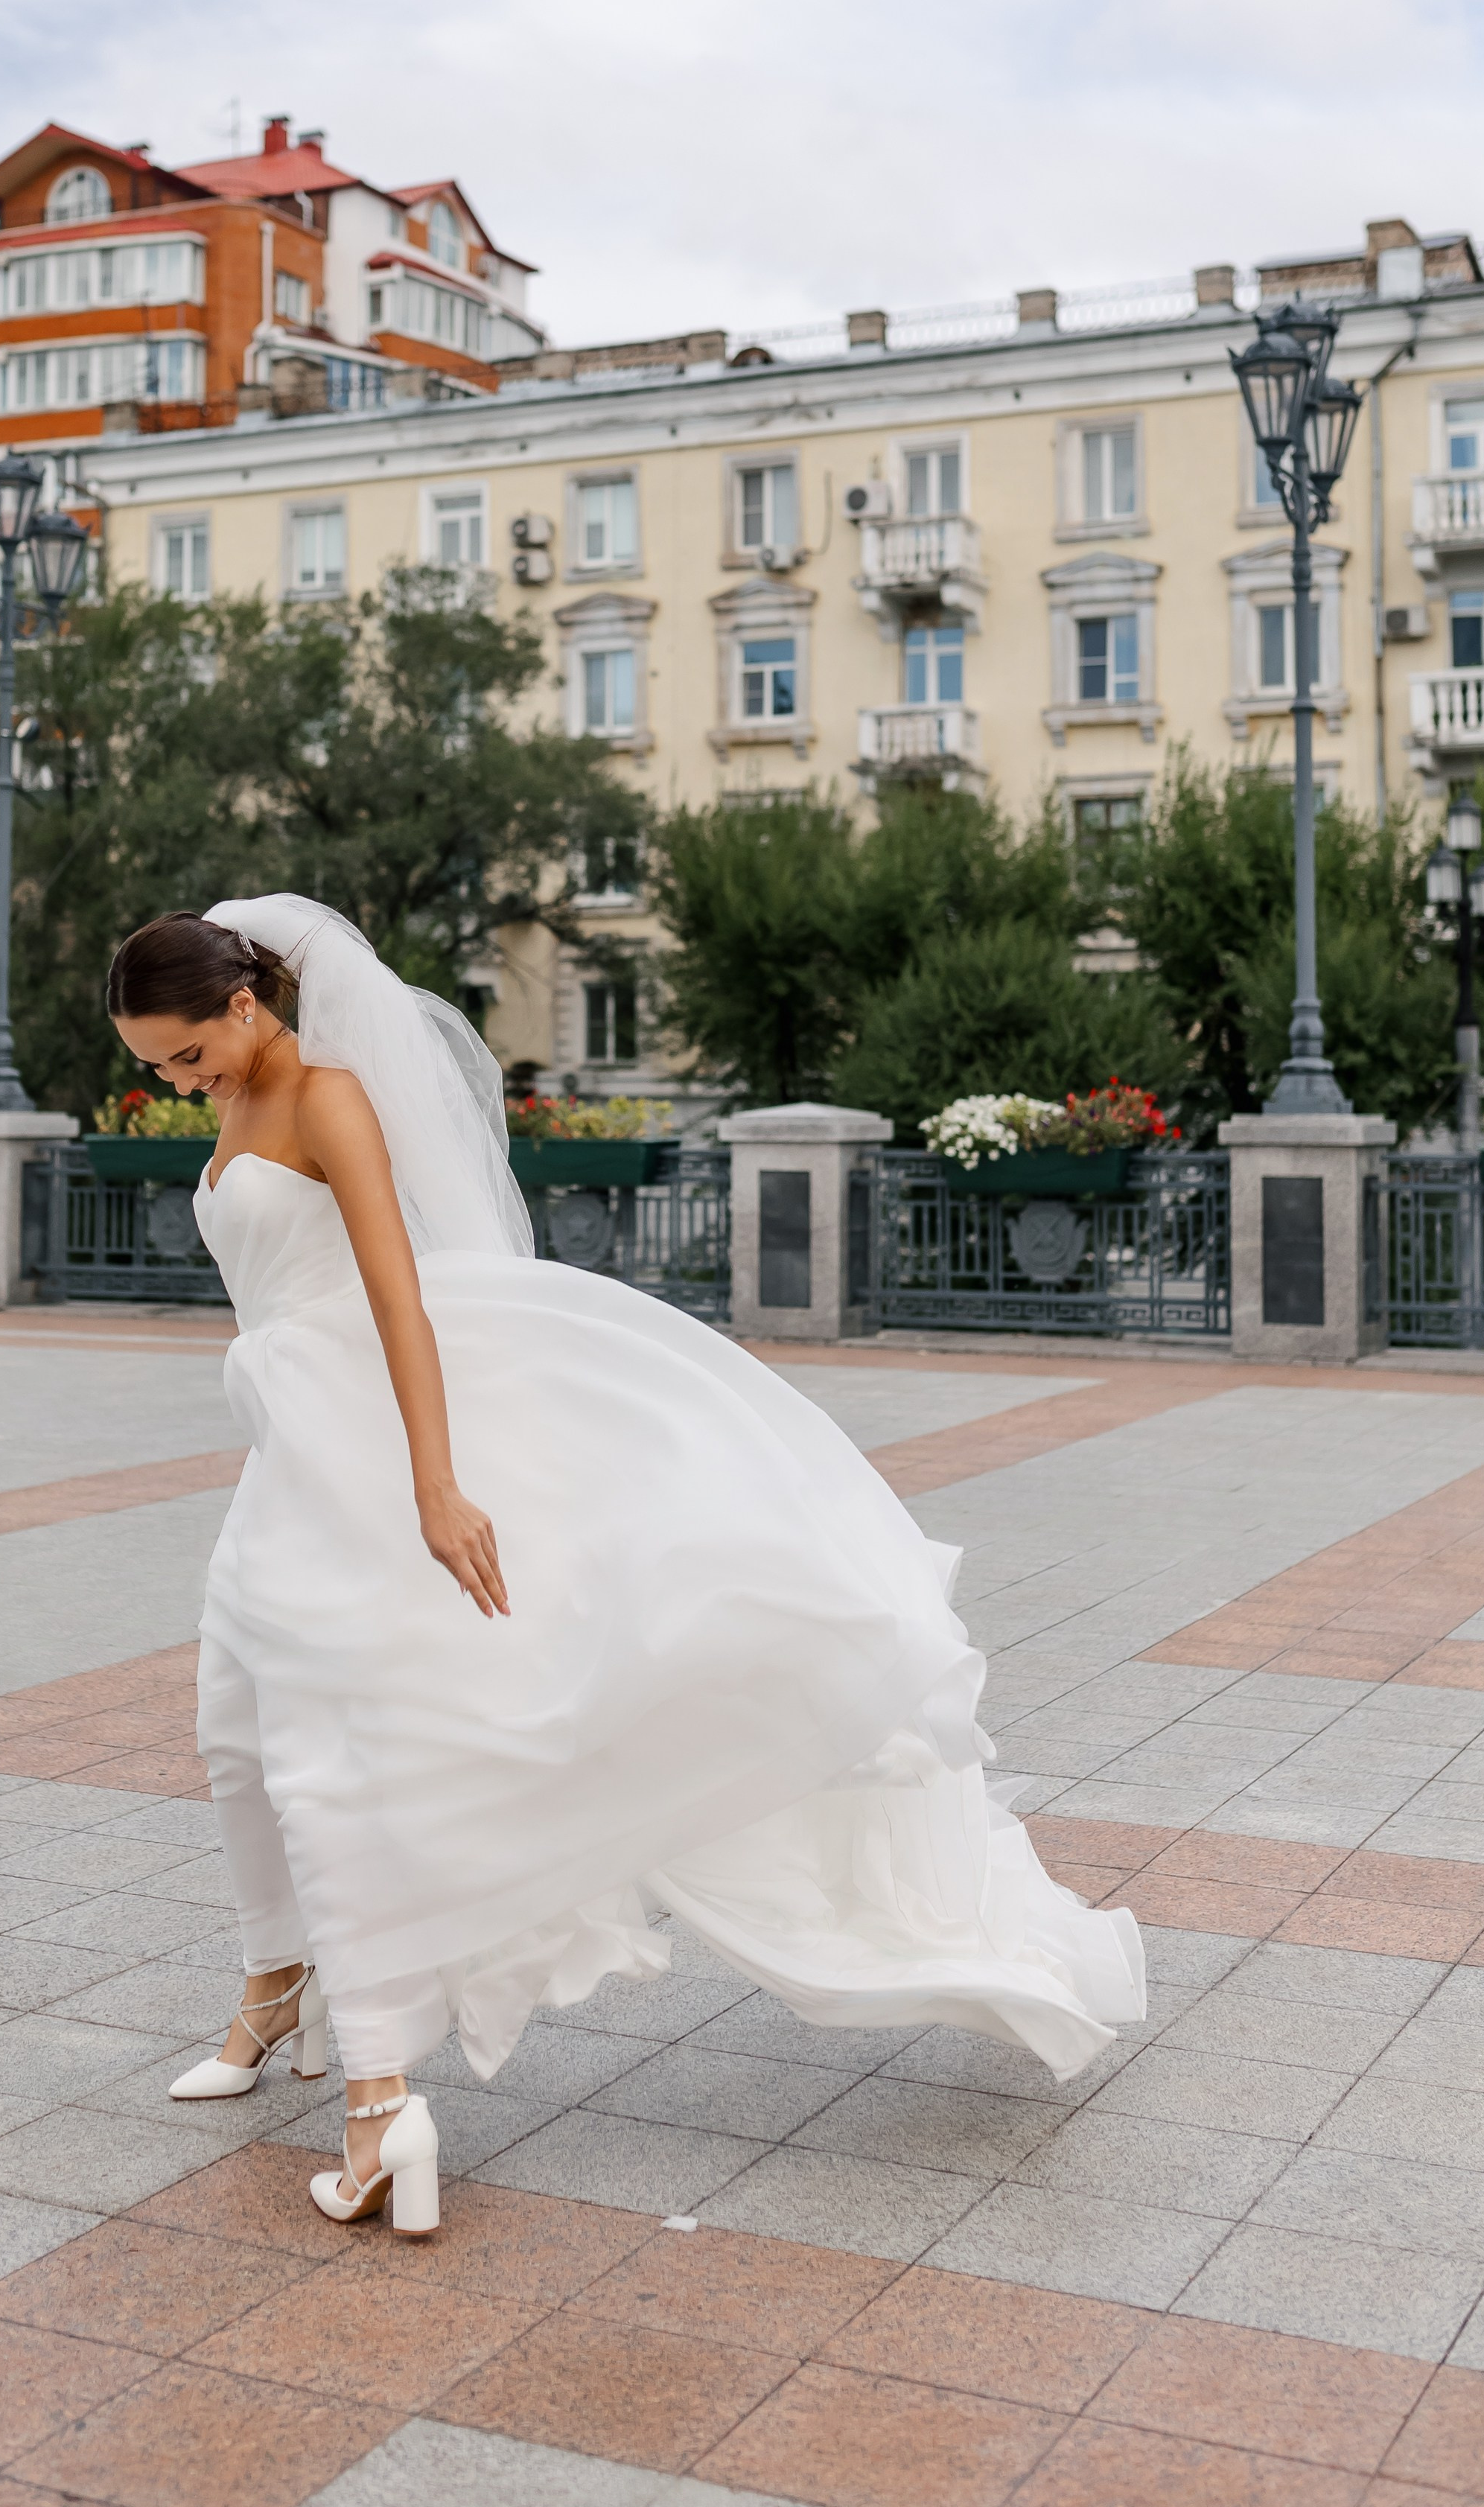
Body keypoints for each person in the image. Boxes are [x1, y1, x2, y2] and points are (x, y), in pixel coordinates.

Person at [106, 894, 1144, 2237]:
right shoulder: (239, 1104)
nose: (176, 1083)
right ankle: (274, 2000)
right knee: (234, 1732)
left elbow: (399, 1298)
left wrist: (435, 1482)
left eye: (184, 1056)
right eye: (157, 1070)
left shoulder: (329, 1100)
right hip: (287, 1441)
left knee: (323, 1746)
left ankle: (377, 2104)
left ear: (246, 1006)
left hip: (360, 1448)